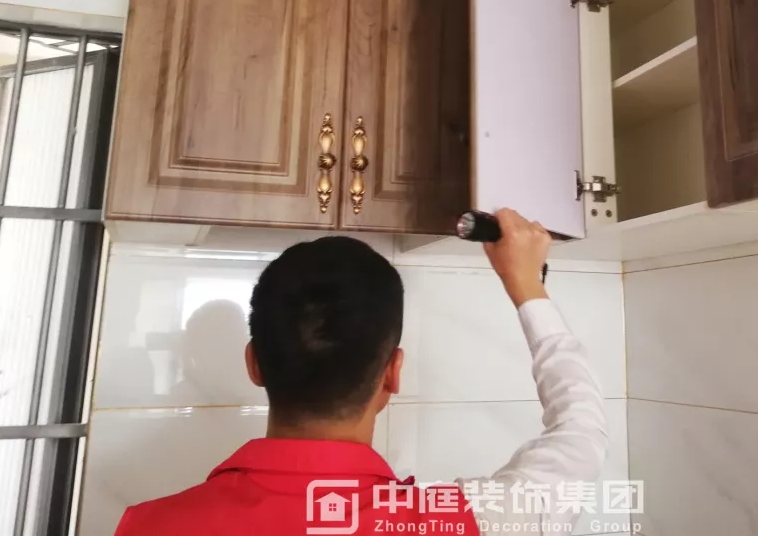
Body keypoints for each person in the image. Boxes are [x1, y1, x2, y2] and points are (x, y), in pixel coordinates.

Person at [113, 209, 608, 535]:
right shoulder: (467, 523)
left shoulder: (146, 526)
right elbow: (581, 432)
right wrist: (526, 284)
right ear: (393, 374)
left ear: (254, 364)